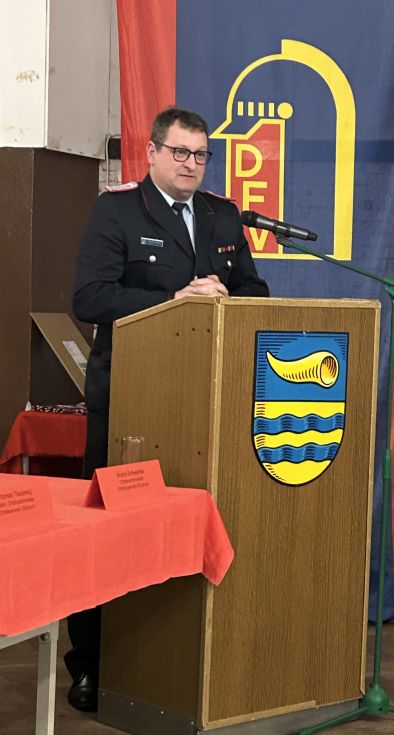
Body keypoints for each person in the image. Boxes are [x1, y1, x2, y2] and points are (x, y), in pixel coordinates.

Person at [66, 107, 269, 712]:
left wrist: (226, 293)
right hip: (130, 398)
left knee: (189, 530)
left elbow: (256, 289)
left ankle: (183, 665)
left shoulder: (222, 215)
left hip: (208, 403)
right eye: (179, 152)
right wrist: (177, 299)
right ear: (151, 153)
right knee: (112, 532)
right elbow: (89, 297)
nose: (191, 164)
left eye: (200, 155)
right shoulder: (118, 211)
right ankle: (92, 664)